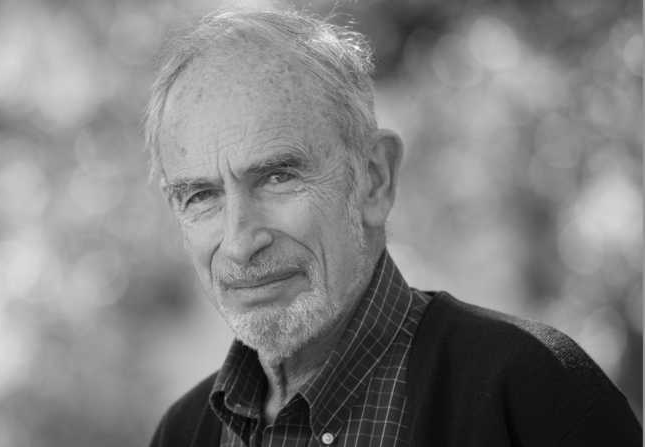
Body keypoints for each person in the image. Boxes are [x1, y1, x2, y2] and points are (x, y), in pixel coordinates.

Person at [144, 8, 641, 447]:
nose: (239, 242)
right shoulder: (182, 433)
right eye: (201, 196)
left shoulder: (535, 392)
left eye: (278, 177)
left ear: (374, 180)